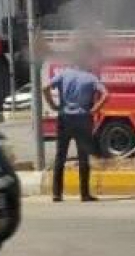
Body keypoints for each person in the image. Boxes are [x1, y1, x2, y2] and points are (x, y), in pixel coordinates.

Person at [43, 58, 109, 203]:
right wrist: (94, 109)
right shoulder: (91, 78)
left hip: (64, 118)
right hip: (83, 120)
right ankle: (84, 194)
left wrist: (53, 105)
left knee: (60, 156)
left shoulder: (64, 74)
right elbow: (106, 94)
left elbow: (45, 88)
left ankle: (56, 194)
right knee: (83, 157)